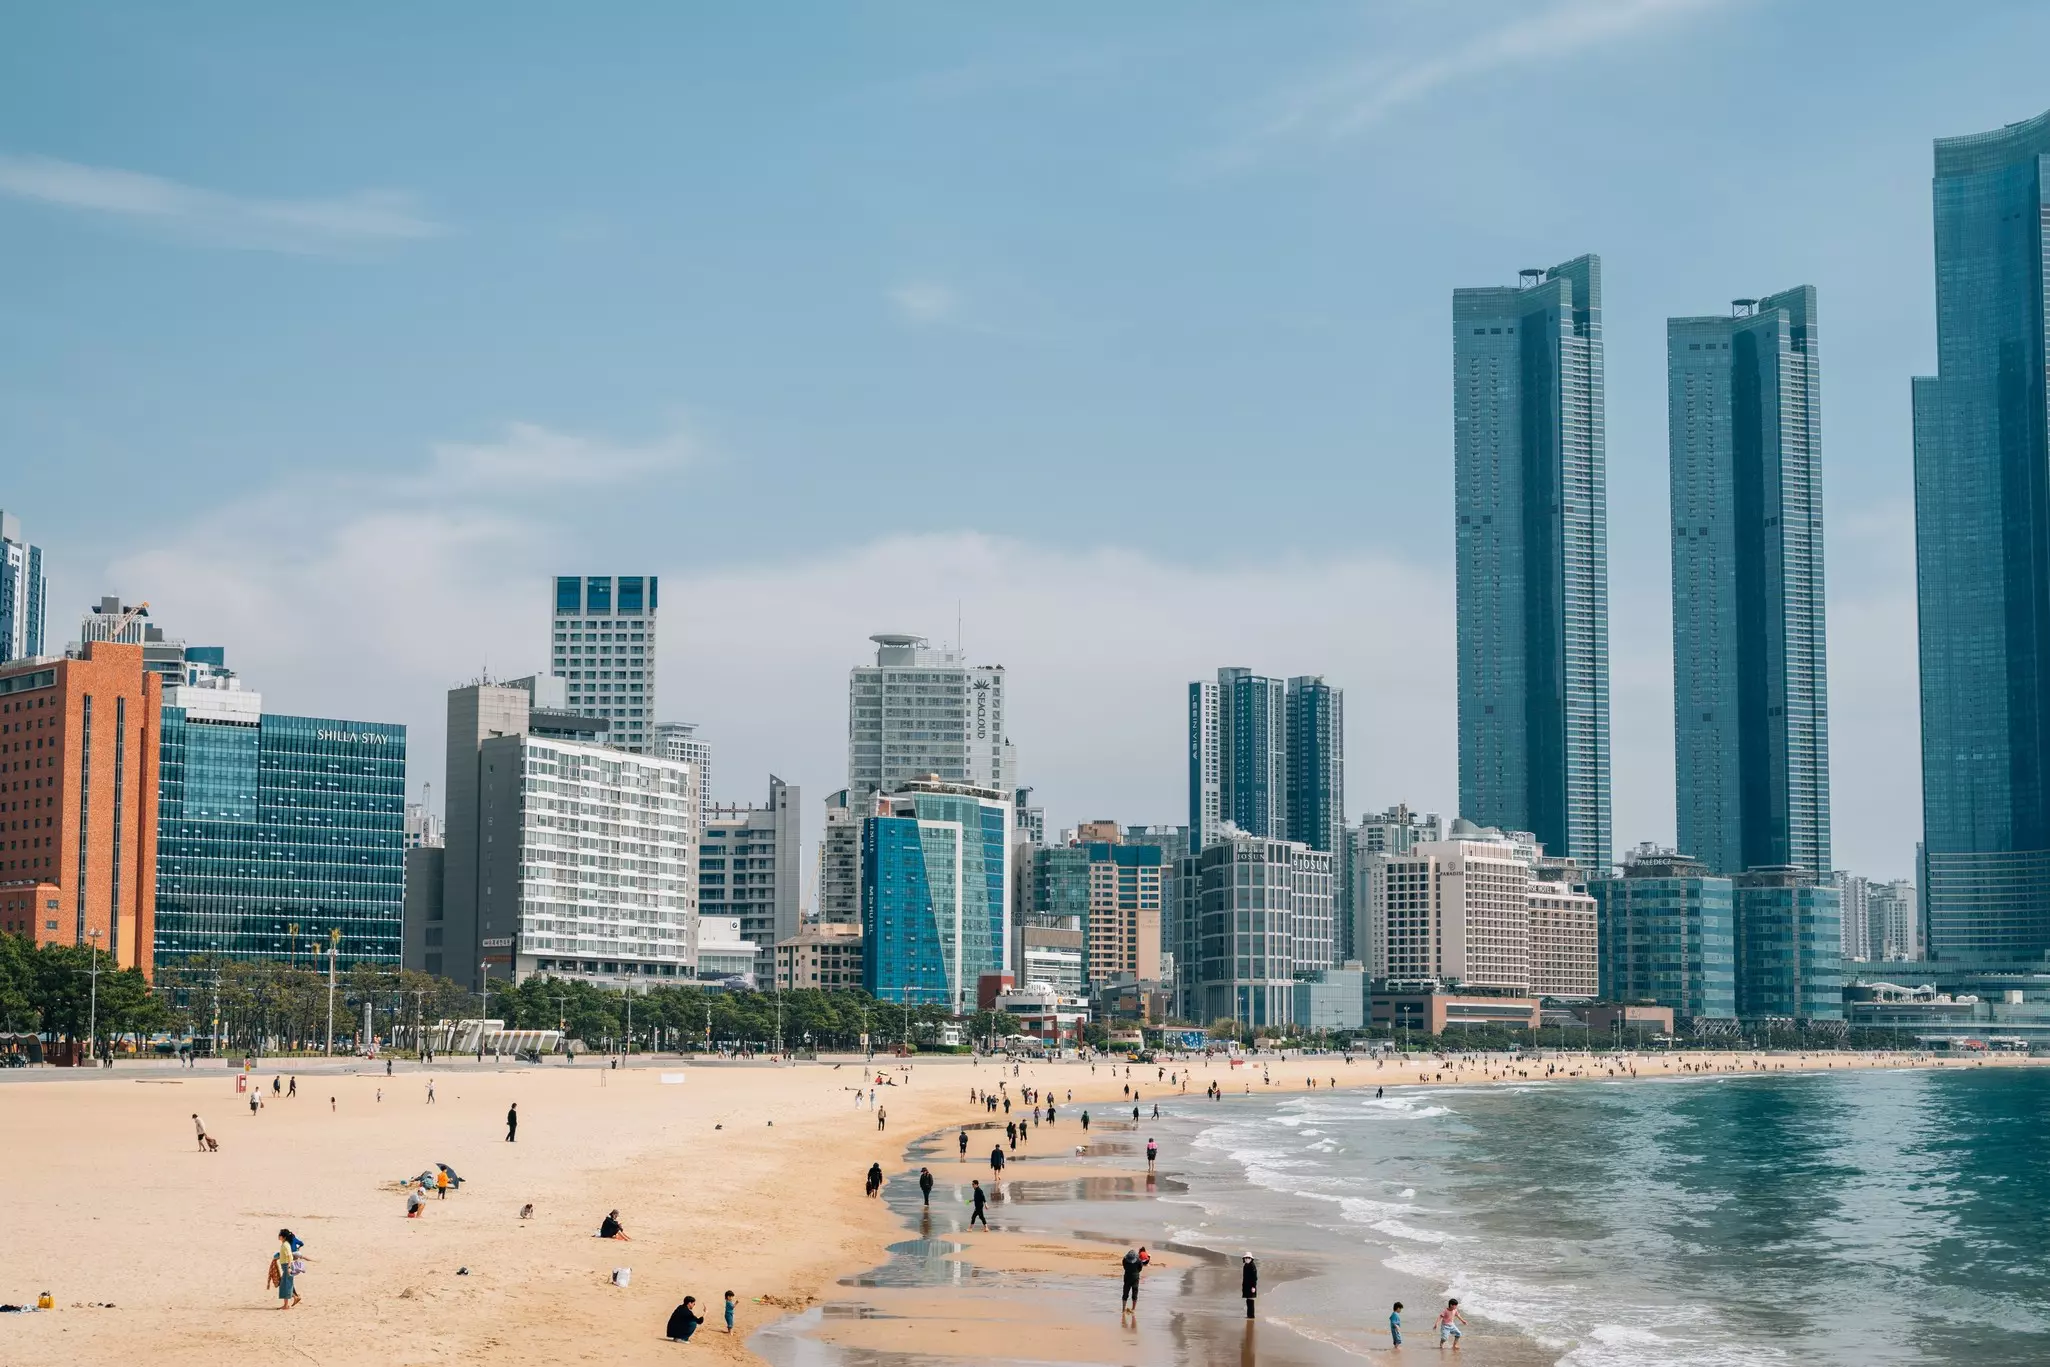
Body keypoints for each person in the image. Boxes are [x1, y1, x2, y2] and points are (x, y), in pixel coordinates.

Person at [1120, 1245, 1148, 1310]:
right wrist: (1136, 1272)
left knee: (1125, 1293)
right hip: (1135, 1278)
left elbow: (1124, 1267)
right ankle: (1133, 1309)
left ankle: (1123, 1308)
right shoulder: (1138, 1260)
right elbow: (1140, 1268)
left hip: (1127, 1277)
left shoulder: (1125, 1260)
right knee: (1135, 1294)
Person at [1241, 1254, 1258, 1320]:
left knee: (1250, 1300)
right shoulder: (1245, 1265)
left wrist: (1253, 1286)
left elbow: (1255, 1277)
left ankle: (1251, 1316)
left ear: (1251, 1259)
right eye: (1246, 1258)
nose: (1247, 1259)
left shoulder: (1252, 1266)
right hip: (1246, 1285)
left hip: (1251, 1286)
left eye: (1248, 1258)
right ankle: (1249, 1315)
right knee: (1248, 1300)